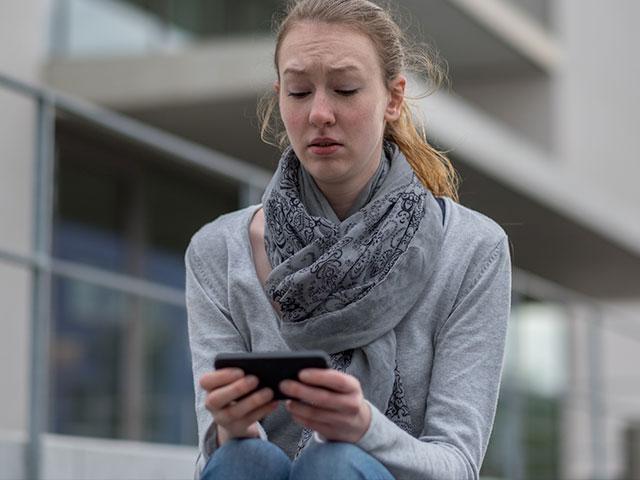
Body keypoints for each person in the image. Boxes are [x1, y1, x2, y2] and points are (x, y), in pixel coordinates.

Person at [185, 0, 511, 479]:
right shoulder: (218, 250)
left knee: (334, 463)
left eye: (345, 89)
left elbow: (457, 465)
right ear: (279, 98)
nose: (320, 113)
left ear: (393, 98)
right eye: (298, 92)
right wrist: (231, 430)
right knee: (242, 459)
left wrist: (363, 429)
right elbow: (213, 461)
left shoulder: (474, 248)